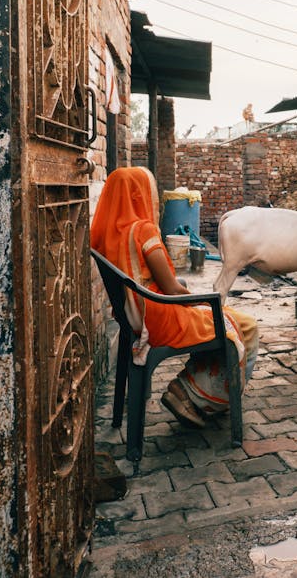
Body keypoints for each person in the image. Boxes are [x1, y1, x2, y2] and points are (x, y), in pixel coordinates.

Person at [91, 166, 258, 429]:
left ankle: (192, 389)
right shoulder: (143, 231)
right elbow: (171, 289)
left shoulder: (107, 233)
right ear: (138, 196)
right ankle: (194, 396)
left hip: (132, 316)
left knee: (224, 319)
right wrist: (199, 300)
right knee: (243, 325)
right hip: (159, 317)